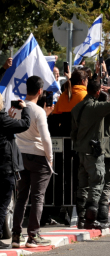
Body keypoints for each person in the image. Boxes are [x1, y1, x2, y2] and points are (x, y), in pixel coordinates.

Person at [70, 79, 110, 230]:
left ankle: (82, 220)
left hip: (81, 150)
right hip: (93, 151)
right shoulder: (95, 107)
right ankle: (90, 221)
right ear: (97, 92)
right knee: (97, 183)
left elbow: (74, 131)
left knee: (82, 186)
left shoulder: (78, 107)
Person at [12, 76, 55, 248]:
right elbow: (46, 139)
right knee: (38, 197)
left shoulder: (15, 108)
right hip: (38, 156)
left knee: (21, 197)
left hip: (20, 155)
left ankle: (16, 236)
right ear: (40, 91)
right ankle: (33, 235)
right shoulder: (38, 112)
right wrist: (50, 158)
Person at [0, 95, 30, 249]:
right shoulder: (2, 120)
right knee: (3, 204)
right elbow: (25, 124)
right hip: (5, 168)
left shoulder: (5, 121)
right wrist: (25, 108)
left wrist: (9, 118)